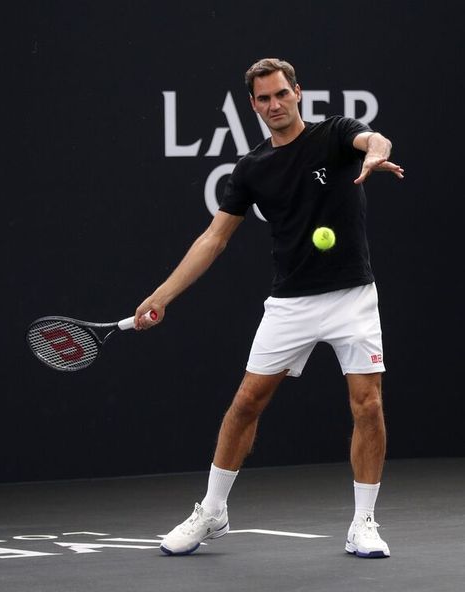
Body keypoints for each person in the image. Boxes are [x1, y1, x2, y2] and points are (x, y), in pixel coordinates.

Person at [134, 58, 404, 558]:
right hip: (290, 303)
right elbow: (213, 239)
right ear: (253, 105)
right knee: (246, 403)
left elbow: (374, 140)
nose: (274, 105)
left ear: (297, 92)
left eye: (281, 94)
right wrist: (162, 294)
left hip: (352, 297)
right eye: (264, 99)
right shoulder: (253, 169)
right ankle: (213, 512)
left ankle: (364, 521)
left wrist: (375, 153)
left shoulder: (335, 134)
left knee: (368, 404)